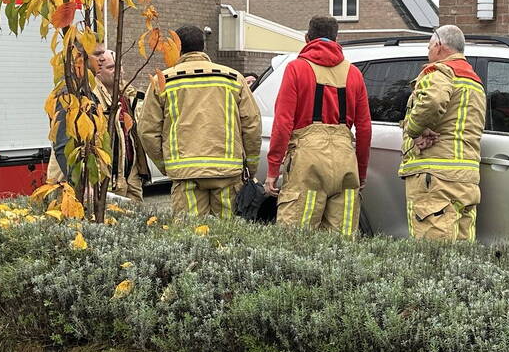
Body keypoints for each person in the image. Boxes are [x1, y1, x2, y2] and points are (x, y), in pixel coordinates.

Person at [138, 25, 261, 217]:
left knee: (190, 237)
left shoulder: (162, 81)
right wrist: (250, 167)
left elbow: (147, 131)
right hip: (227, 173)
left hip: (186, 173)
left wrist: (166, 164)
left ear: (176, 47)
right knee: (228, 236)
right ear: (203, 46)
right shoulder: (233, 78)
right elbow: (252, 125)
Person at [264, 15, 371, 236]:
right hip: (345, 161)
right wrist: (360, 172)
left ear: (307, 38)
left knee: (297, 240)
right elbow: (364, 129)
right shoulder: (354, 73)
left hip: (307, 161)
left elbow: (283, 122)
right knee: (341, 245)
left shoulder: (297, 69)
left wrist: (273, 169)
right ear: (336, 38)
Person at [400, 25, 486, 241]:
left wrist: (414, 130)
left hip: (436, 175)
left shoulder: (439, 71)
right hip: (466, 178)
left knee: (434, 254)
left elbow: (433, 99)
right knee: (461, 254)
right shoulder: (474, 81)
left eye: (429, 47)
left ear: (438, 46)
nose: (428, 53)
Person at [46, 48, 148, 202]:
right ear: (97, 70)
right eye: (111, 67)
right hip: (101, 181)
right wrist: (80, 182)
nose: (119, 71)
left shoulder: (128, 96)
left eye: (120, 66)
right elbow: (63, 146)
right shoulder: (82, 97)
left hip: (128, 180)